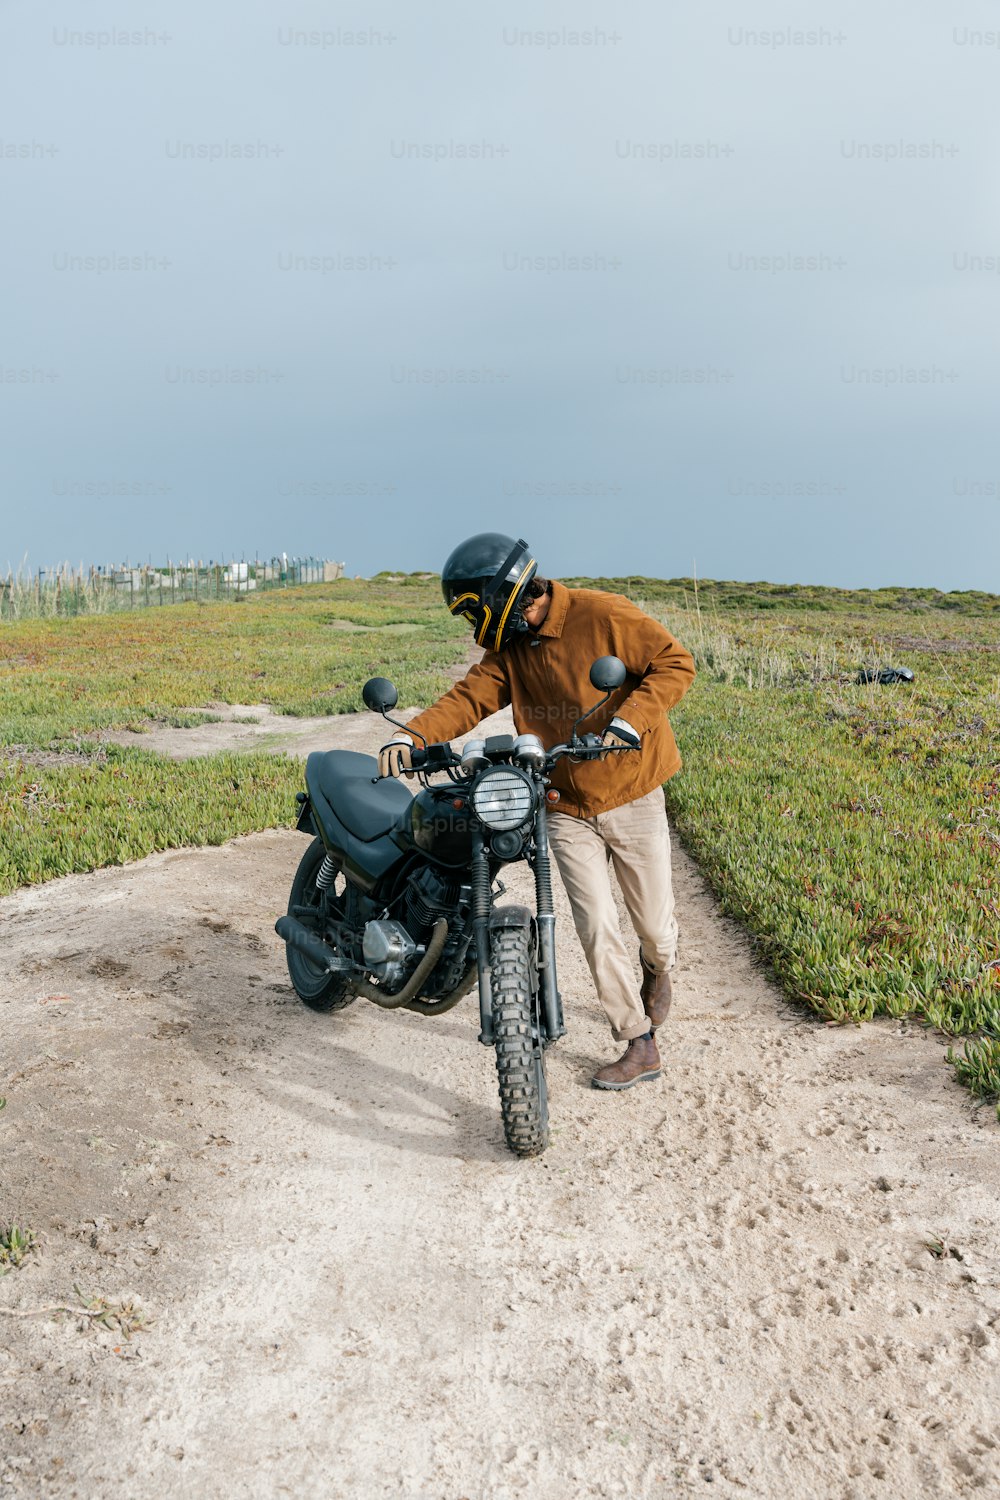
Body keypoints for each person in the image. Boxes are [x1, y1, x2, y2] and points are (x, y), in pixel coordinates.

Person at [378, 533, 696, 1090]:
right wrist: (413, 736)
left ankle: (659, 966)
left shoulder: (603, 614)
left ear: (502, 596)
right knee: (596, 921)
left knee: (654, 926)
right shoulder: (511, 648)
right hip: (563, 801)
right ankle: (638, 1041)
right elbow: (470, 696)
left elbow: (674, 662)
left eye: (473, 611)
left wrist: (629, 722)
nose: (473, 626)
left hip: (633, 788)